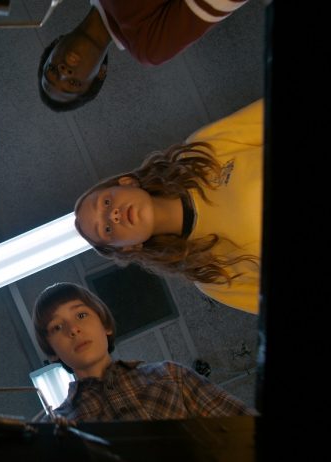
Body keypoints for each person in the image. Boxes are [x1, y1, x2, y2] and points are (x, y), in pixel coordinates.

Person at [74, 98, 262, 313]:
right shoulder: (211, 276)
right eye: (107, 229)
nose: (112, 215)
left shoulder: (200, 154)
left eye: (106, 203)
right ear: (128, 248)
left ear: (126, 182)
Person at [32, 282, 256, 421]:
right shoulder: (56, 427)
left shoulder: (170, 376)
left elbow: (244, 432)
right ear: (52, 352)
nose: (73, 329)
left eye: (81, 315)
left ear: (105, 325)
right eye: (57, 327)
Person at [38, 0, 250, 111]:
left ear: (55, 44)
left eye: (52, 70)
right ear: (100, 73)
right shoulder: (149, 46)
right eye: (74, 83)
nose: (64, 71)